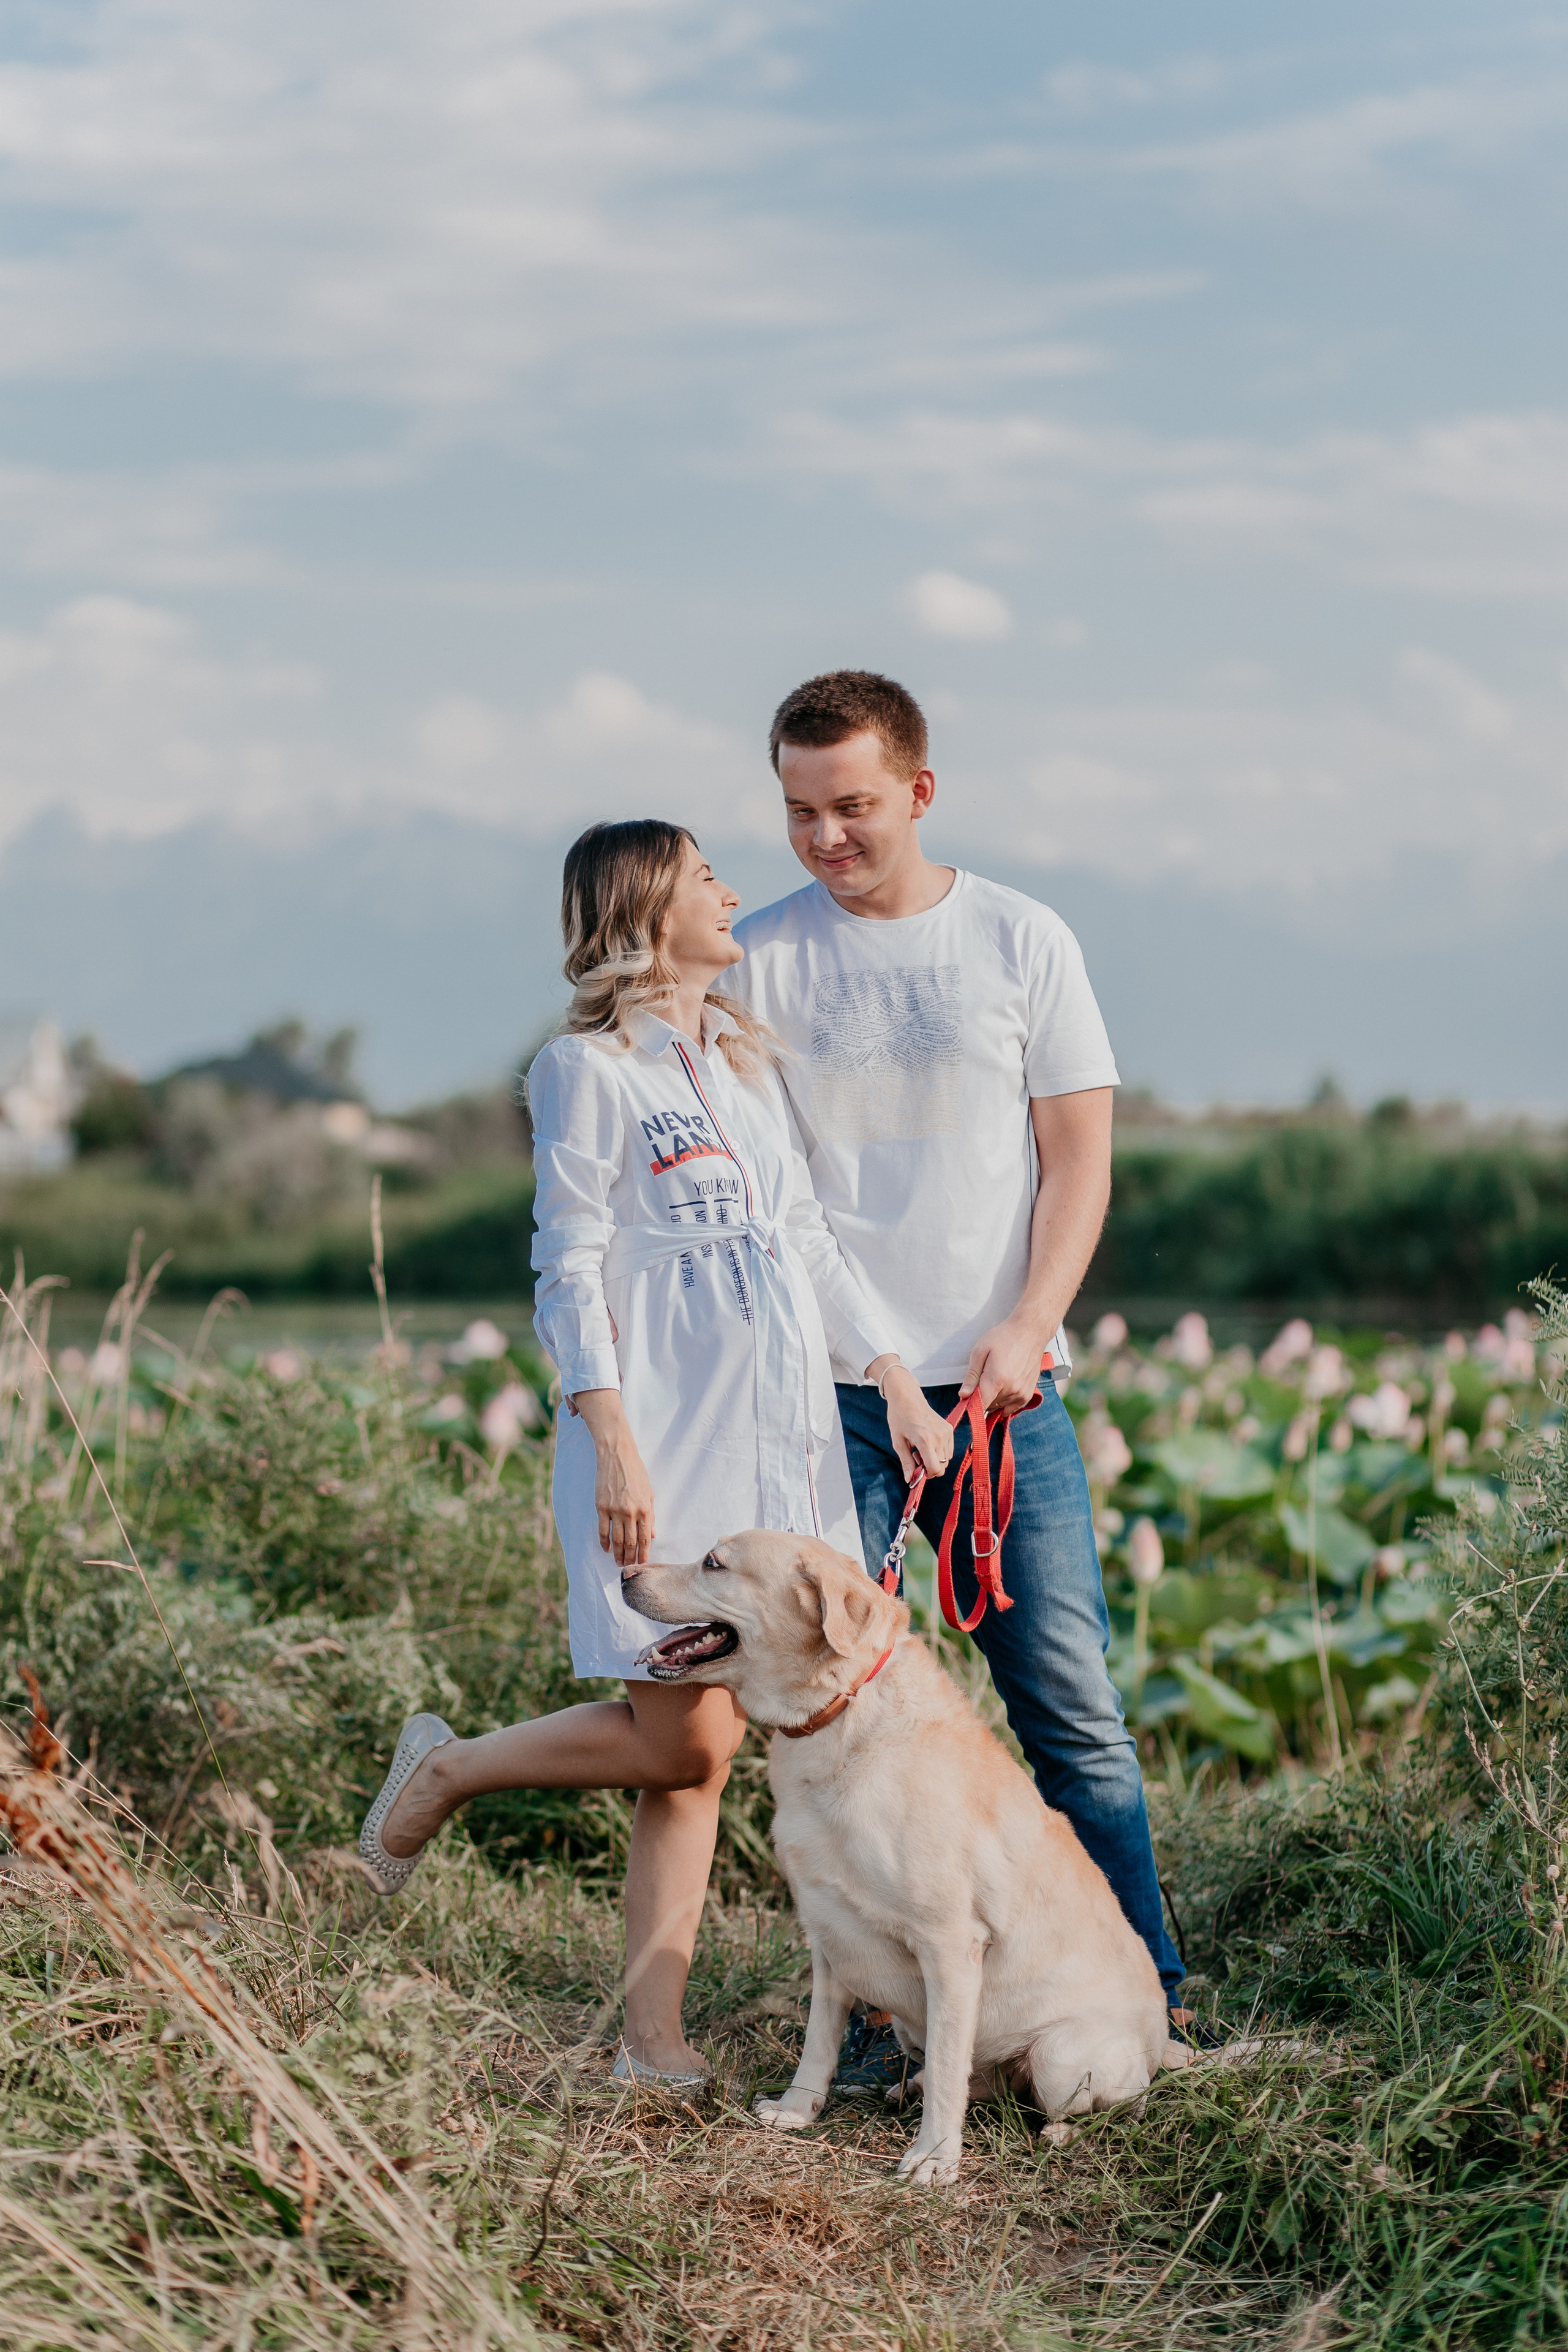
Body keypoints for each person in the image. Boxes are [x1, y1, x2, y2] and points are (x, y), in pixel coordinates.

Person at [359, 818, 953, 2082]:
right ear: (640, 913)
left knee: (706, 1749)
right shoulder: (585, 1072)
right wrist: (609, 1433)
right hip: (665, 1434)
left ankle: (652, 2046)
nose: (732, 893)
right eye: (702, 879)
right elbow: (567, 1262)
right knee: (684, 1740)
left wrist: (892, 1375)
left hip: (780, 1440)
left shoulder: (740, 1069)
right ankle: (449, 1772)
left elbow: (804, 1239)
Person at [718, 670, 1189, 2086]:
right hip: (837, 1401)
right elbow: (780, 1199)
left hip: (1003, 1399)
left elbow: (1077, 1158)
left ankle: (1142, 1997)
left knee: (1069, 1711)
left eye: (851, 807)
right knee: (831, 1721)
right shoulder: (761, 960)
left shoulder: (1021, 940)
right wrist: (879, 1364)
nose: (823, 839)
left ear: (918, 791)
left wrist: (1023, 1323)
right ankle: (875, 2018)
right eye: (799, 811)